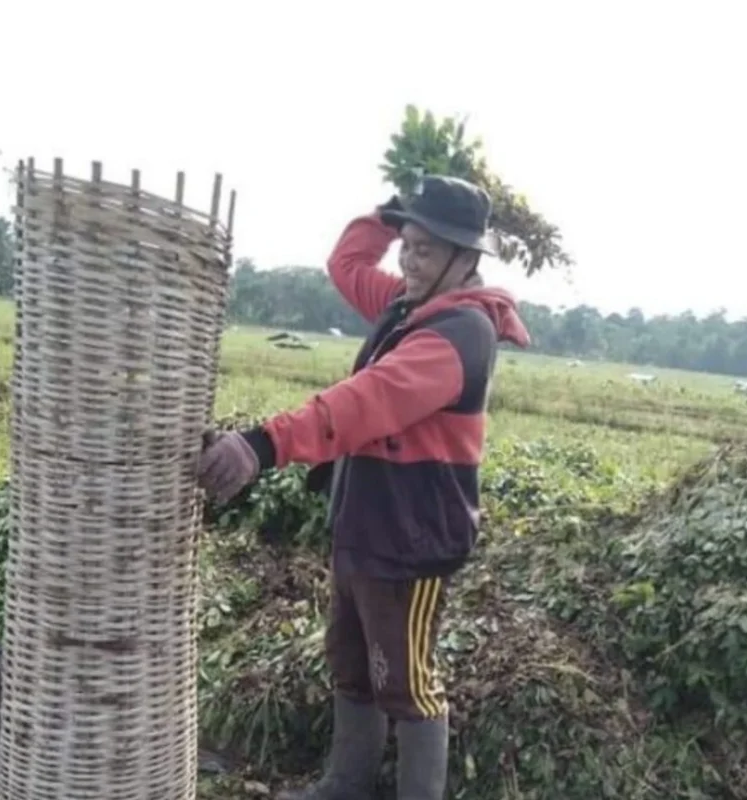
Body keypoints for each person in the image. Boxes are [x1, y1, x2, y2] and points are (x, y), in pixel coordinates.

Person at [197, 174, 531, 800]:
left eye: (425, 249)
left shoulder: (458, 334)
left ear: (466, 260)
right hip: (367, 524)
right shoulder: (410, 307)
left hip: (412, 541)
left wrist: (262, 444)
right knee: (351, 666)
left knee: (407, 684)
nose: (407, 259)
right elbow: (347, 262)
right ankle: (345, 785)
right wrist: (391, 211)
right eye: (406, 244)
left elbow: (363, 403)